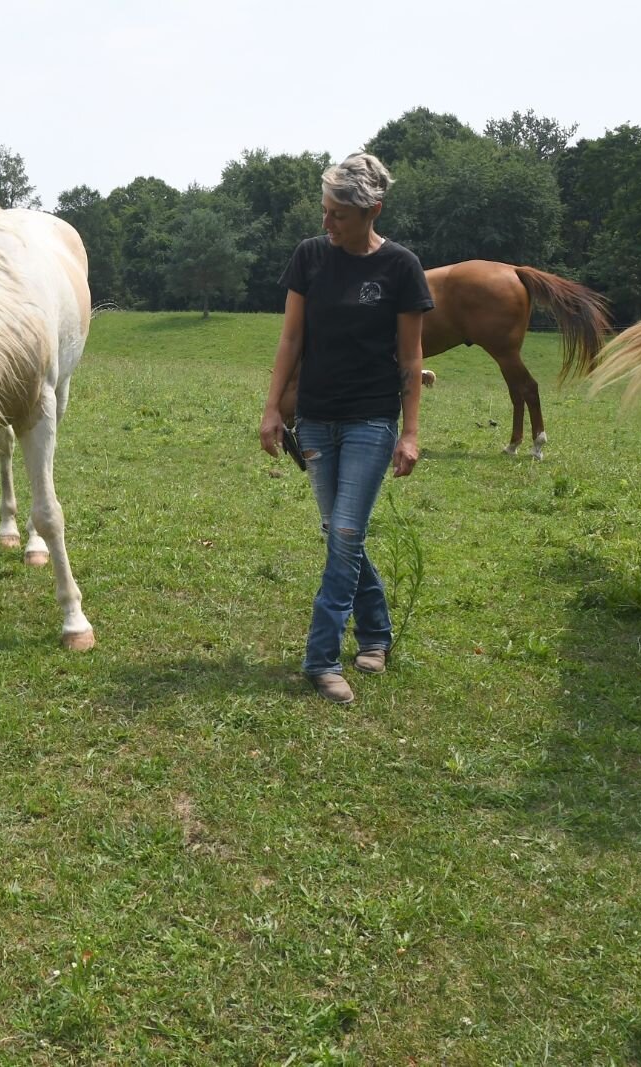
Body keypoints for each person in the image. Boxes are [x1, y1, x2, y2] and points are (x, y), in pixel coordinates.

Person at [258, 152, 432, 705]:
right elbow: (290, 340)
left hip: (371, 422)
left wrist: (409, 432)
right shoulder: (310, 257)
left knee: (347, 534)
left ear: (372, 210)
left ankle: (321, 658)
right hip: (314, 418)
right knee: (338, 532)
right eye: (326, 211)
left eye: (339, 215)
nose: (327, 224)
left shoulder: (401, 267)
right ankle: (376, 633)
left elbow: (411, 357)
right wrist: (272, 410)